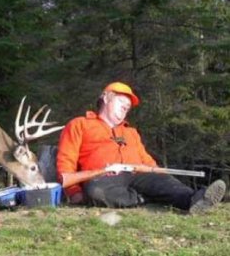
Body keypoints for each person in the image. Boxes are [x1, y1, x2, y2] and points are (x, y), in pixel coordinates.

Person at [56, 82, 226, 213]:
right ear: (106, 97)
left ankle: (195, 200)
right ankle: (145, 199)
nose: (125, 108)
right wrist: (73, 192)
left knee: (164, 182)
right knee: (95, 192)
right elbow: (66, 162)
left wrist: (159, 174)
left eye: (128, 107)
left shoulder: (131, 132)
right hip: (105, 179)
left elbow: (146, 160)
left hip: (139, 175)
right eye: (121, 101)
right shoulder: (79, 124)